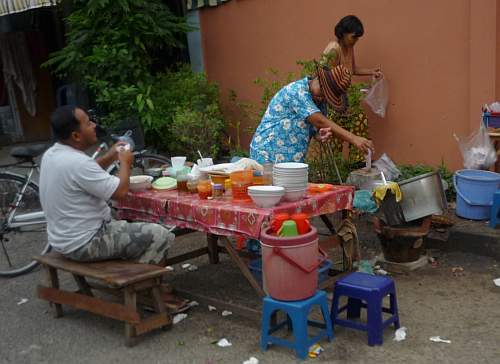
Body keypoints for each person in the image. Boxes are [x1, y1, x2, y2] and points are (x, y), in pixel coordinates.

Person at [39, 105, 174, 265]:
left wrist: (110, 156)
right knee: (160, 235)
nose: (94, 125)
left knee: (121, 216)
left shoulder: (53, 154)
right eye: (88, 123)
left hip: (63, 240)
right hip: (86, 243)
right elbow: (120, 192)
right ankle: (140, 284)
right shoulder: (77, 162)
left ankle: (134, 271)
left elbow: (85, 172)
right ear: (76, 135)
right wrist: (125, 163)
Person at [249, 64, 374, 164]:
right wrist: (354, 138)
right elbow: (319, 121)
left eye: (326, 96)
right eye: (322, 91)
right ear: (317, 78)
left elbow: (318, 128)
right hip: (267, 155)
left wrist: (320, 135)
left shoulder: (319, 101)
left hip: (290, 164)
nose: (321, 98)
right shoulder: (297, 91)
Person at [321, 15, 382, 163]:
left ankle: (357, 164)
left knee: (360, 121)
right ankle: (334, 168)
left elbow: (352, 69)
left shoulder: (349, 47)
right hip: (333, 101)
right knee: (334, 134)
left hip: (346, 99)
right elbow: (324, 76)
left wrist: (371, 72)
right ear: (343, 33)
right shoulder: (333, 49)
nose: (356, 41)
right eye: (354, 37)